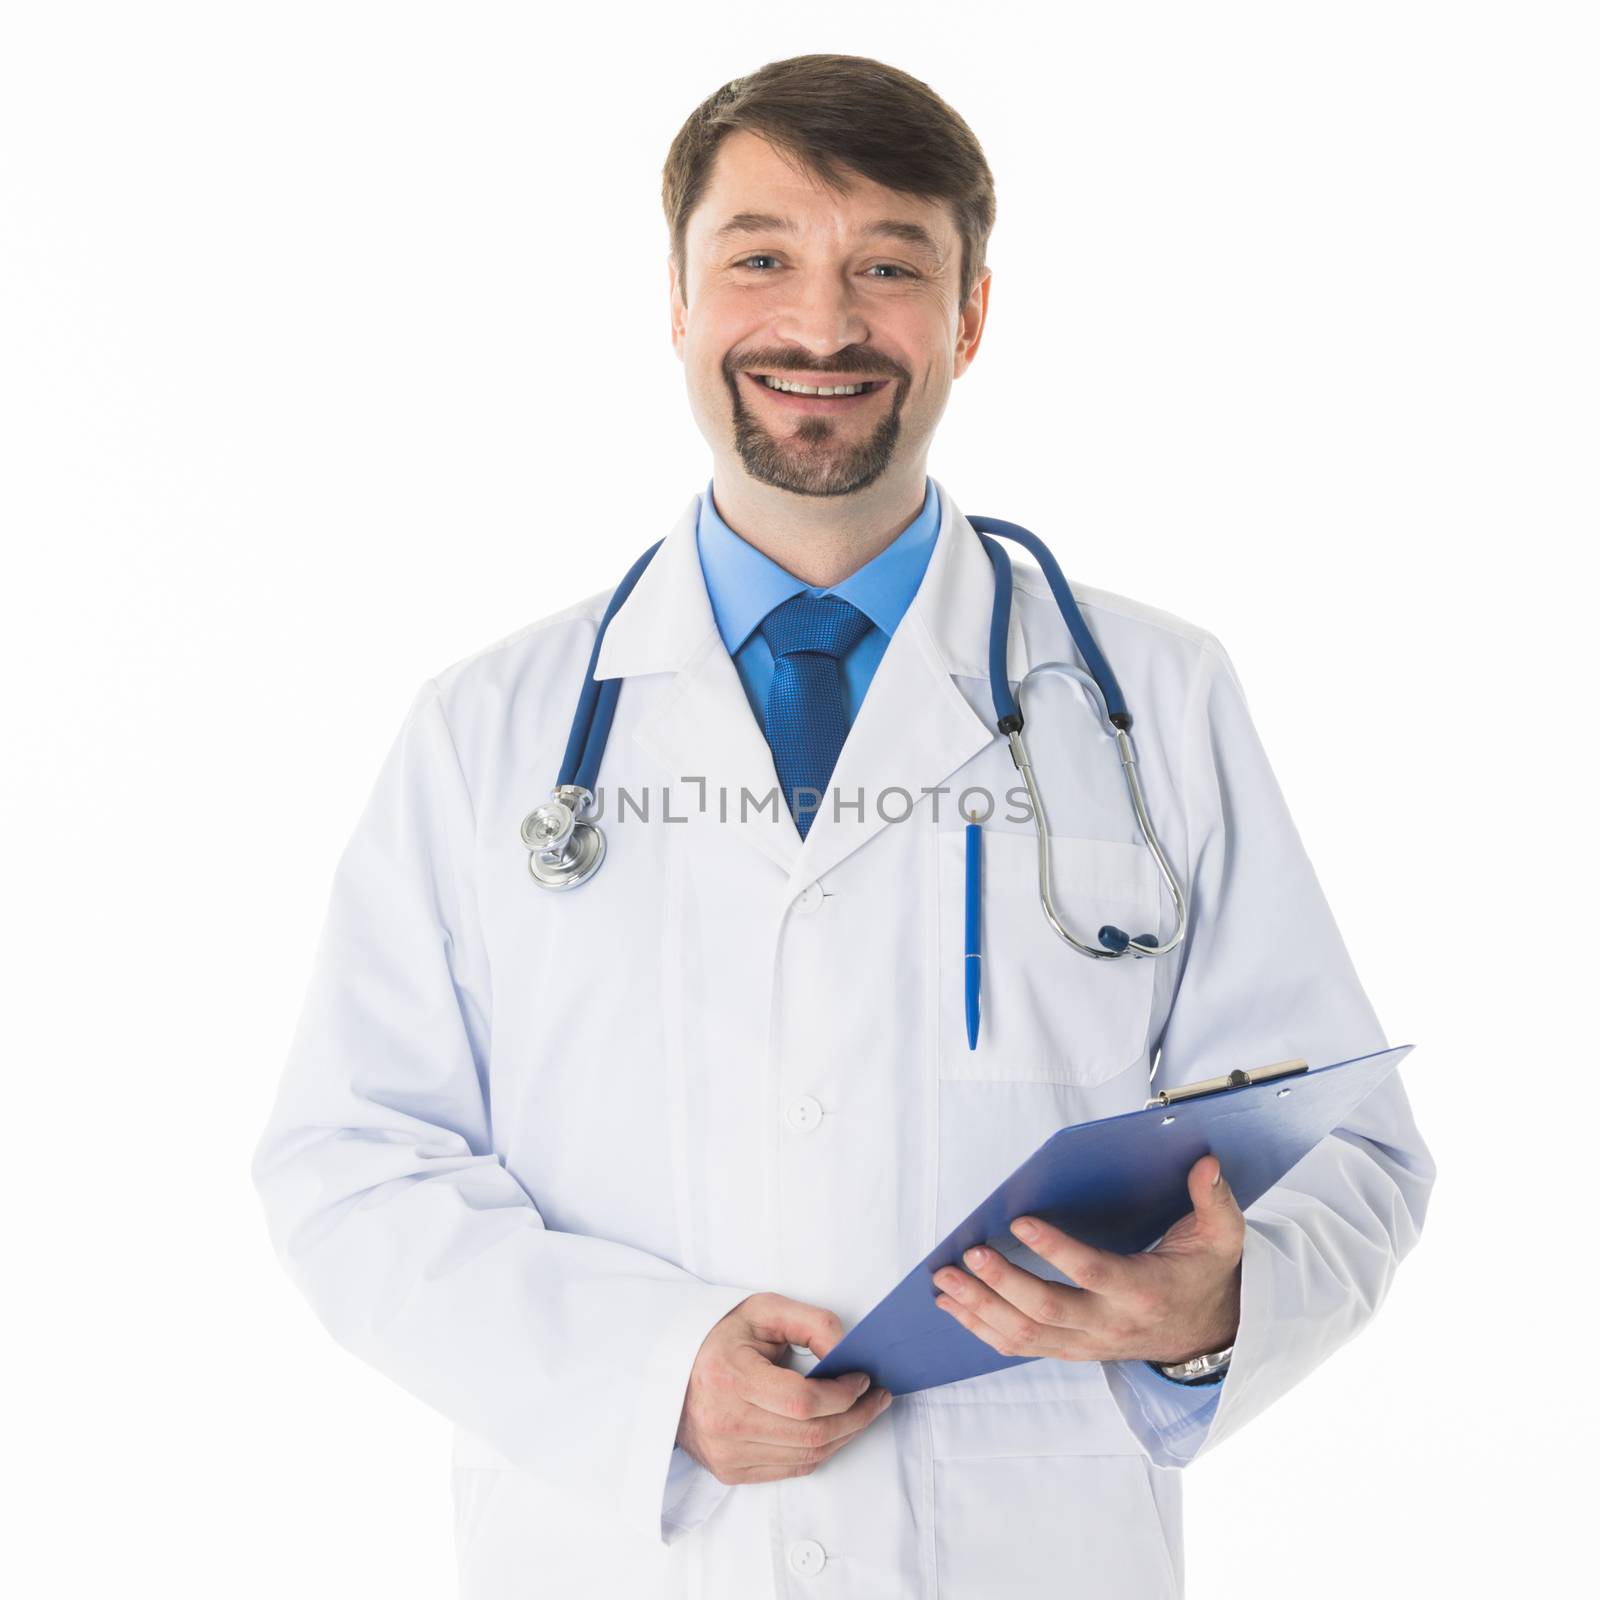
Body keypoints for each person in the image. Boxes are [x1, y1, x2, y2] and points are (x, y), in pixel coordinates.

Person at [251, 52, 1435, 1599]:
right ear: (676, 302)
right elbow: (349, 1161)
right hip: (627, 1551)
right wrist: (651, 1370)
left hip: (1026, 1548)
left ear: (971, 317)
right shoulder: (489, 727)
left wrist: (1216, 1308)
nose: (820, 326)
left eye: (889, 266)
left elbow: (1342, 1144)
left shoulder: (1157, 695)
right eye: (761, 261)